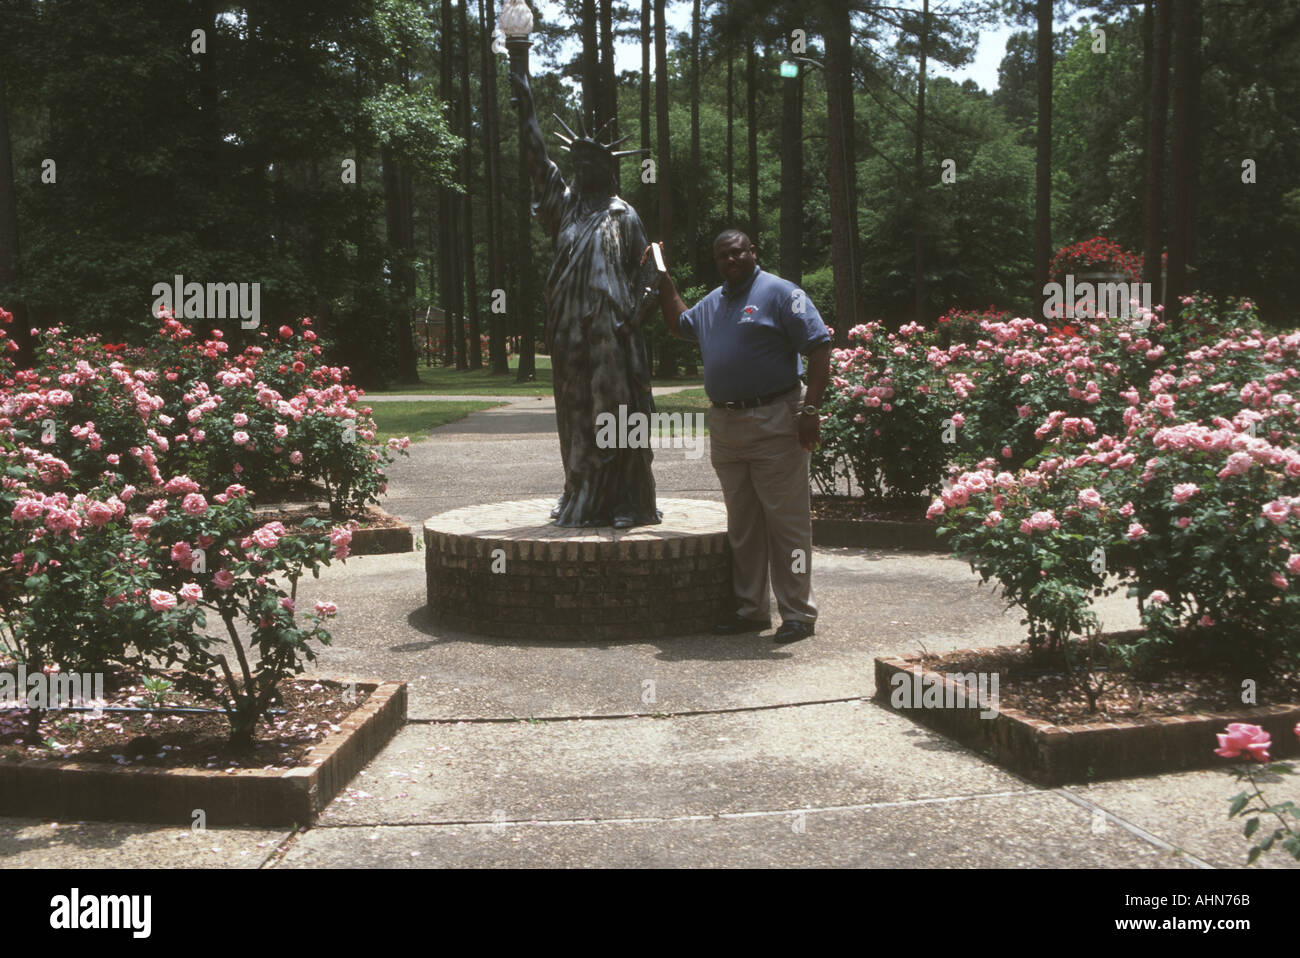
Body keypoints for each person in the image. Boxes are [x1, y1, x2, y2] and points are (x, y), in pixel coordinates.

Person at [645, 231, 832, 643]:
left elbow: (819, 347)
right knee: (743, 524)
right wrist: (665, 281)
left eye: (738, 251)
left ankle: (798, 613)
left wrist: (811, 410)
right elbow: (681, 324)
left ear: (753, 252)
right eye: (722, 255)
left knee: (787, 524)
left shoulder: (782, 293)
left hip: (776, 418)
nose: (731, 259)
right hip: (727, 426)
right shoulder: (714, 303)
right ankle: (751, 610)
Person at [507, 69, 662, 529]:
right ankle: (580, 490)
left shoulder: (623, 214)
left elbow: (650, 269)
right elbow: (537, 161)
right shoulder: (564, 206)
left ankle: (627, 501)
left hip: (612, 332)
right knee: (573, 411)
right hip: (568, 329)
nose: (582, 168)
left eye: (591, 162)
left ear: (607, 168)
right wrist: (528, 111)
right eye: (577, 162)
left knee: (615, 409)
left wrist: (635, 317)